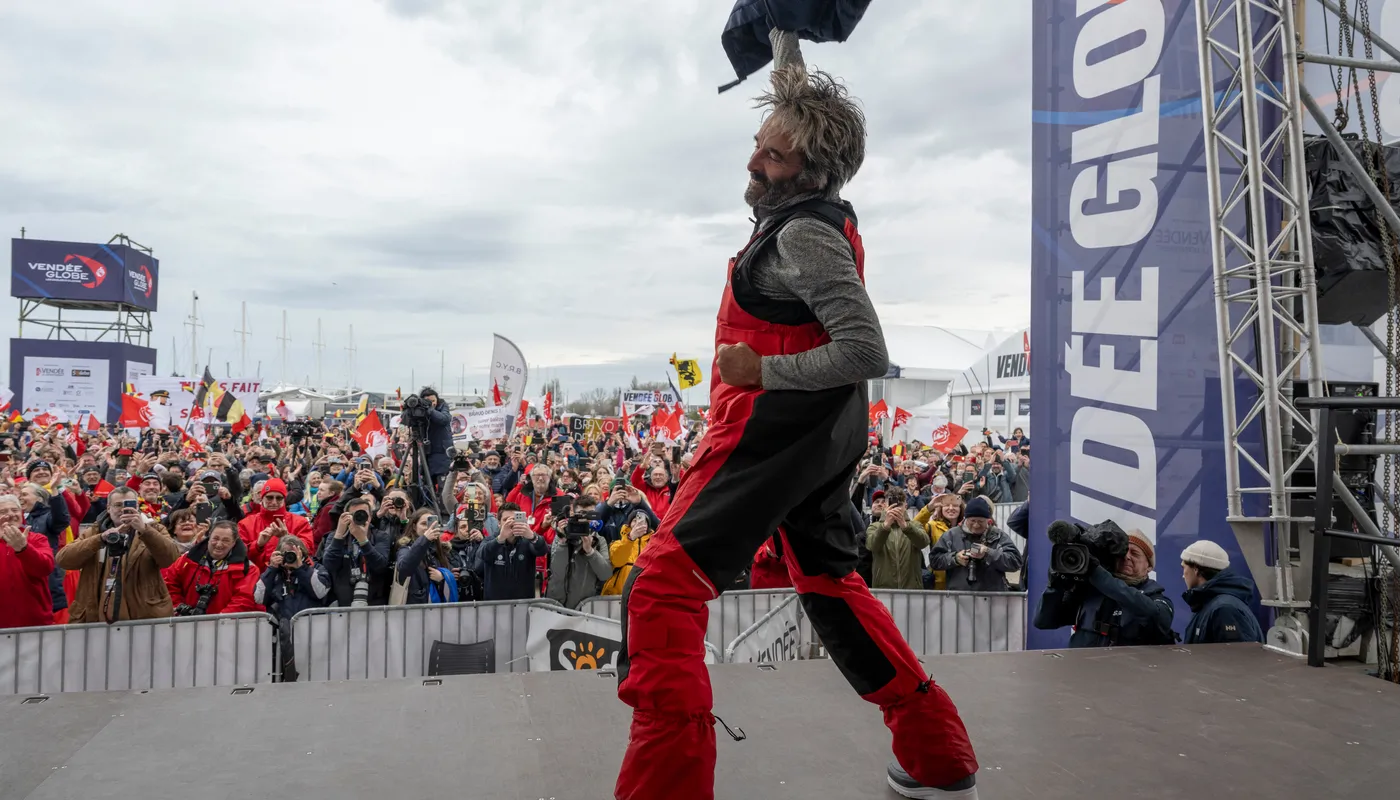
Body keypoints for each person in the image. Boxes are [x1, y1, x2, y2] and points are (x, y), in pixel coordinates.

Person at [615, 30, 978, 800]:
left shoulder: (806, 236)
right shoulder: (818, 208)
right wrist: (784, 30)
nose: (753, 161)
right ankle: (938, 754)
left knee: (660, 589)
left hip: (768, 431)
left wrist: (763, 370)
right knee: (827, 578)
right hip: (825, 436)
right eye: (757, 145)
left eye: (772, 156)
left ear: (809, 169)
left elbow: (867, 350)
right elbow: (793, 99)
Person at [1032, 527, 1177, 648]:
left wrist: (1096, 573)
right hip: (1081, 672)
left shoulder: (1156, 598)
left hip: (1127, 676)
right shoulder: (1091, 590)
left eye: (1135, 553)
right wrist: (1056, 586)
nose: (1126, 557)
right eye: (1122, 553)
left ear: (1149, 566)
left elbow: (1155, 617)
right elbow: (1043, 621)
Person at [56, 487, 181, 623]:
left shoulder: (154, 529)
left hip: (143, 617)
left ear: (137, 507)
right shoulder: (94, 531)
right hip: (95, 617)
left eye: (129, 505)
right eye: (118, 505)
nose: (123, 509)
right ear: (108, 508)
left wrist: (144, 531)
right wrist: (100, 539)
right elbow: (63, 559)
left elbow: (171, 559)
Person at [928, 496, 1023, 592]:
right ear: (965, 518)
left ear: (988, 520)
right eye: (972, 521)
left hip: (993, 598)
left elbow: (1015, 562)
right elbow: (934, 560)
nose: (976, 525)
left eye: (981, 521)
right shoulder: (951, 535)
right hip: (959, 597)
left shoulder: (998, 536)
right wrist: (955, 558)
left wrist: (988, 553)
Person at [1179, 540, 1264, 645]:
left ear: (1196, 569)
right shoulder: (1209, 604)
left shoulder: (1225, 609)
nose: (1183, 575)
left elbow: (1240, 658)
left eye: (1184, 568)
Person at [544, 497, 611, 609]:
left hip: (584, 606)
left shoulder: (599, 540)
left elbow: (605, 574)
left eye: (590, 514)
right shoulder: (562, 536)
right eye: (581, 514)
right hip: (557, 605)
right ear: (573, 515)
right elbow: (556, 570)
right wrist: (563, 542)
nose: (585, 518)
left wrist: (590, 551)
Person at [0, 494, 55, 629]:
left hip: (34, 624)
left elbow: (45, 568)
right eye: (3, 511)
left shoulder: (37, 539)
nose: (10, 514)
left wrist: (23, 549)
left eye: (14, 510)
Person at [865, 486, 931, 590]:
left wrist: (906, 526)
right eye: (892, 504)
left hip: (912, 588)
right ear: (886, 505)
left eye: (899, 504)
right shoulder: (875, 526)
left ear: (906, 505)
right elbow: (872, 546)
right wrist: (885, 526)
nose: (896, 507)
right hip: (883, 589)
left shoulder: (915, 525)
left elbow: (924, 542)